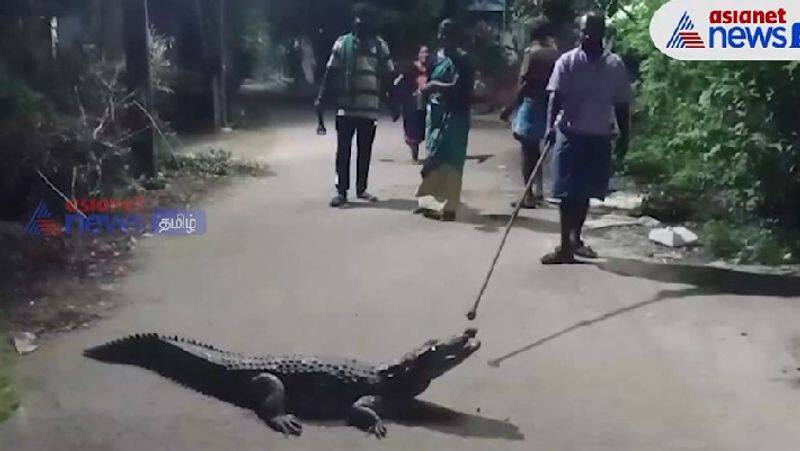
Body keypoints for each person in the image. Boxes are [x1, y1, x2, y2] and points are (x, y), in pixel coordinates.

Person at [541, 13, 632, 264]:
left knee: (585, 193)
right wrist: (549, 128)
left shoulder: (615, 65)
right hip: (570, 133)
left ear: (602, 34)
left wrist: (625, 137)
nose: (586, 36)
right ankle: (564, 246)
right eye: (583, 31)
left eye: (592, 31)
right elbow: (555, 97)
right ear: (578, 32)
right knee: (565, 193)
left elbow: (622, 105)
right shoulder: (567, 61)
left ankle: (575, 239)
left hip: (599, 136)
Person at [316, 3, 396, 208]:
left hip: (369, 109)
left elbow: (388, 76)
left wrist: (393, 103)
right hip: (346, 107)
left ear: (371, 23)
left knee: (364, 150)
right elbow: (330, 73)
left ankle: (361, 189)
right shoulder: (342, 43)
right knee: (343, 151)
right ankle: (341, 192)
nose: (360, 22)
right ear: (354, 20)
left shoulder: (380, 46)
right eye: (358, 18)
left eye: (365, 19)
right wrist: (321, 99)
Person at [415, 19, 475, 222]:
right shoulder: (436, 58)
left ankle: (449, 208)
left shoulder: (464, 61)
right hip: (436, 112)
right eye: (441, 33)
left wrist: (434, 86)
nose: (443, 37)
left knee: (453, 160)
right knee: (433, 155)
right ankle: (429, 203)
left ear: (456, 37)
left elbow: (460, 88)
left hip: (456, 114)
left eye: (447, 34)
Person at [500, 18, 558, 209]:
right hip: (548, 103)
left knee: (527, 149)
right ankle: (538, 191)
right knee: (536, 150)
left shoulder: (531, 53)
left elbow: (524, 83)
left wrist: (509, 107)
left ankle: (528, 195)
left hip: (531, 103)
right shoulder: (554, 54)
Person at [394, 45, 430, 163]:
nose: (425, 55)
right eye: (423, 53)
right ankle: (415, 155)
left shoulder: (431, 68)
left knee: (423, 128)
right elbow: (399, 81)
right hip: (412, 102)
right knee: (413, 129)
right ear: (418, 54)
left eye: (427, 53)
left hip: (426, 102)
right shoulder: (411, 68)